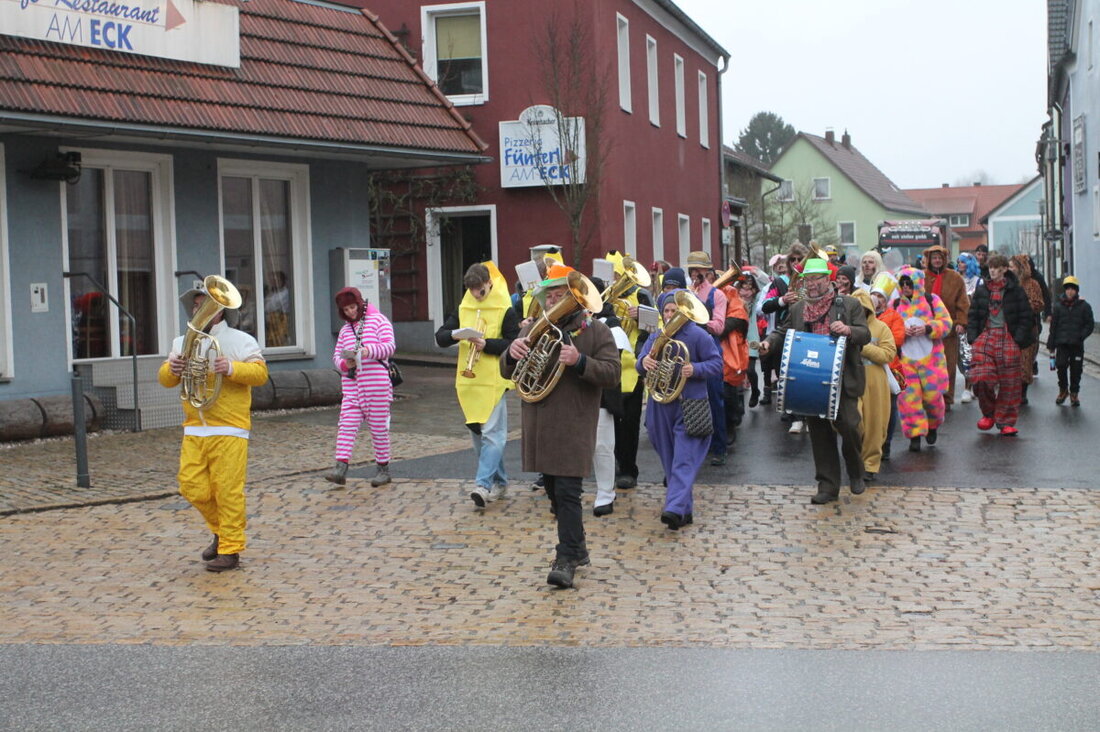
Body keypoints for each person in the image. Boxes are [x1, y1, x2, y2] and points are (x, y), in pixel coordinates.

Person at [501, 263, 620, 589]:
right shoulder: (534, 328)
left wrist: (579, 361)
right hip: (539, 425)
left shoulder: (595, 331)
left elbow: (612, 373)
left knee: (568, 493)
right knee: (554, 492)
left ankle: (565, 558)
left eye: (559, 295)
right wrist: (510, 354)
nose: (552, 300)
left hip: (573, 425)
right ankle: (578, 547)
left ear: (574, 297)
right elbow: (505, 370)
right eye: (548, 295)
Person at [157, 283, 269, 572]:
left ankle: (230, 550)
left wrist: (231, 368)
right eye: (196, 305)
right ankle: (222, 532)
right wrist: (172, 369)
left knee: (227, 490)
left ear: (220, 310)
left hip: (229, 427)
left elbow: (260, 374)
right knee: (191, 486)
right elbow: (165, 380)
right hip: (195, 427)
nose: (200, 310)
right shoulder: (181, 341)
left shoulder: (241, 340)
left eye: (206, 304)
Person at [759, 258, 870, 504]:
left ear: (827, 280)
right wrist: (768, 344)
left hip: (842, 378)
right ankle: (827, 486)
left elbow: (865, 334)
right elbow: (782, 332)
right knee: (820, 435)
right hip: (810, 379)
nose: (810, 284)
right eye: (807, 279)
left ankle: (855, 470)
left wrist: (849, 330)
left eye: (815, 279)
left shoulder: (850, 304)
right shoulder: (799, 309)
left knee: (850, 427)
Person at [435, 262, 520, 509]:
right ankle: (501, 483)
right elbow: (440, 337)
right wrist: (456, 334)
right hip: (468, 382)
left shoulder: (506, 309)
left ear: (489, 284)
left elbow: (514, 343)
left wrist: (489, 345)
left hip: (494, 380)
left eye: (480, 291)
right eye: (471, 291)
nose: (475, 295)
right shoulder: (463, 308)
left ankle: (482, 485)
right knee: (479, 439)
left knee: (493, 436)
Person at [636, 288, 723, 527]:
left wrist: (695, 369)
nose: (671, 314)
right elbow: (639, 364)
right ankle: (685, 509)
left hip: (689, 403)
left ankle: (673, 508)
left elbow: (716, 363)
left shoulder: (698, 335)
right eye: (667, 310)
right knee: (670, 458)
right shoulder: (656, 336)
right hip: (660, 404)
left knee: (684, 458)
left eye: (675, 310)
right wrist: (644, 362)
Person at [326, 287, 396, 488]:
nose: (350, 312)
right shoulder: (345, 330)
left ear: (359, 303)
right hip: (352, 386)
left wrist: (368, 352)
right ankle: (340, 468)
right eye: (345, 309)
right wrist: (344, 364)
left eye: (352, 307)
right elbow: (337, 355)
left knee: (379, 429)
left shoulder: (379, 321)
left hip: (377, 386)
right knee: (346, 426)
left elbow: (390, 346)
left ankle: (383, 469)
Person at [966, 254, 1034, 436]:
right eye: (990, 268)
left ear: (1005, 269)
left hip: (1008, 338)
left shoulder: (1016, 290)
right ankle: (989, 413)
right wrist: (973, 336)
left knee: (1010, 382)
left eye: (996, 268)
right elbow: (973, 315)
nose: (993, 271)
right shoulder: (982, 290)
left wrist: (1017, 339)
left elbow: (1026, 316)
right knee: (980, 377)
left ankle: (1006, 421)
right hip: (985, 337)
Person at [604, 252, 654, 491]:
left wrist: (641, 315)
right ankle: (616, 462)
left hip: (632, 367)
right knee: (609, 421)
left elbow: (657, 326)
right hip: (609, 366)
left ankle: (628, 469)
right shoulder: (605, 297)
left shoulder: (641, 295)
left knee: (630, 423)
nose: (614, 279)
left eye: (617, 275)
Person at [892, 265, 952, 452]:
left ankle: (933, 425)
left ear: (917, 284)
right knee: (908, 398)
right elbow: (889, 329)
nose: (906, 287)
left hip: (931, 361)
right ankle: (915, 434)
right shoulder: (895, 305)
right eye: (903, 284)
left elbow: (946, 323)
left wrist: (927, 328)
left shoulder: (932, 300)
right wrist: (902, 332)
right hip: (906, 362)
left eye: (909, 283)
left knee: (933, 398)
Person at [588, 276, 628, 516]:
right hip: (574, 391)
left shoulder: (611, 321)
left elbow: (615, 355)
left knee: (602, 444)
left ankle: (605, 493)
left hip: (601, 393)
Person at [684, 250, 728, 465]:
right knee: (690, 400)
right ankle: (693, 446)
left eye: (700, 269)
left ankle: (718, 448)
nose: (696, 273)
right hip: (688, 350)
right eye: (693, 269)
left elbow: (719, 326)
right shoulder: (686, 293)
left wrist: (699, 320)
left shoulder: (717, 295)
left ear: (708, 271)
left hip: (710, 349)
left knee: (714, 399)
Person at [852, 290, 897, 482]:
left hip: (875, 380)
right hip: (851, 378)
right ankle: (855, 459)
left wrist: (863, 346)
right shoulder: (844, 327)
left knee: (875, 424)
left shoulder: (881, 328)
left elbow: (888, 354)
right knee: (854, 421)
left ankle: (870, 464)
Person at [922, 244, 970, 408]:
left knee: (948, 364)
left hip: (949, 328)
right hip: (926, 329)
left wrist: (962, 322)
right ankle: (929, 397)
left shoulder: (955, 278)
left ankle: (946, 398)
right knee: (927, 364)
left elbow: (963, 302)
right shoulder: (921, 277)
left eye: (939, 258)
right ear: (928, 260)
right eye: (934, 258)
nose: (936, 261)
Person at [870, 275, 906, 462]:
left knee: (890, 408)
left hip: (889, 369)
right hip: (867, 367)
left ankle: (887, 443)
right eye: (874, 295)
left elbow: (897, 339)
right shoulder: (863, 315)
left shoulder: (894, 316)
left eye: (881, 297)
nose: (877, 299)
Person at [1047, 275, 1094, 407]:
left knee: (1076, 370)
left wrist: (1081, 336)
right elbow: (1053, 327)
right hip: (1062, 344)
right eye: (1067, 289)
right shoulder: (1058, 307)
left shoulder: (1084, 306)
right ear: (1064, 290)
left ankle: (1074, 393)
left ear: (1076, 290)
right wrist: (1051, 344)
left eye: (1073, 289)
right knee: (1060, 366)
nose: (1070, 291)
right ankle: (1063, 390)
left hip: (1077, 344)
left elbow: (1089, 324)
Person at [718, 272, 751, 451]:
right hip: (711, 347)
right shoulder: (695, 291)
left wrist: (713, 323)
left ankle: (730, 425)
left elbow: (737, 318)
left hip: (729, 351)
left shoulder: (730, 292)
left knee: (727, 391)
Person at [1009, 255, 1045, 405]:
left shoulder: (1032, 284)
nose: (1010, 269)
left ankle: (1022, 393)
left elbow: (1039, 304)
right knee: (1010, 362)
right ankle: (1011, 392)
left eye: (1012, 266)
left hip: (1028, 328)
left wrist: (1022, 305)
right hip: (1010, 328)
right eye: (1009, 266)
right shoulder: (1007, 284)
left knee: (1025, 362)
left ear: (1020, 267)